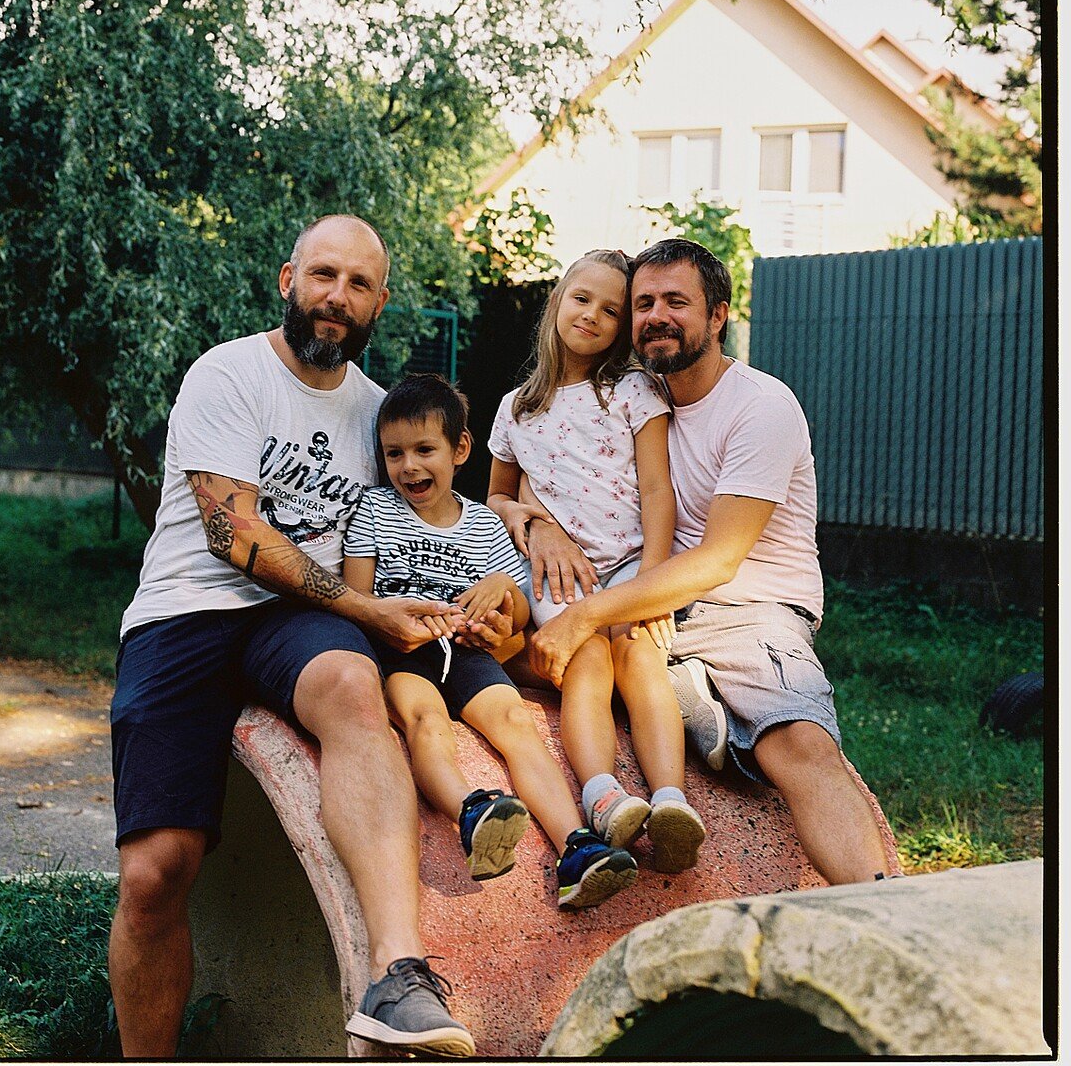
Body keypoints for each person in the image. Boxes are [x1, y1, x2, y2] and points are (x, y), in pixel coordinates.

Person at [108, 215, 502, 1058]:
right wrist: (367, 612)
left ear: (380, 303)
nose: (337, 298)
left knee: (356, 693)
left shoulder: (375, 412)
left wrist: (519, 529)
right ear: (288, 278)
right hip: (185, 610)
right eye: (324, 276)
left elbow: (436, 502)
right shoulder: (229, 373)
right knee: (155, 873)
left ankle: (398, 978)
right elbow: (233, 536)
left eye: (359, 285)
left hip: (296, 620)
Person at [528, 237, 891, 886]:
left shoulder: (760, 406)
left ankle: (888, 915)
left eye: (676, 301)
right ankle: (690, 700)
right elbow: (545, 461)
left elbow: (720, 559)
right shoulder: (630, 395)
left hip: (744, 609)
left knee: (796, 743)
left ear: (718, 315)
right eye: (642, 304)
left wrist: (584, 615)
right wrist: (538, 523)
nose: (655, 316)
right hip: (641, 597)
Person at [343, 374, 639, 910]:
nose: (408, 466)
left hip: (470, 653)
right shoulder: (374, 510)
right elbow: (358, 598)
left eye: (424, 449)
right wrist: (385, 633)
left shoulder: (483, 524)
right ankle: (471, 810)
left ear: (460, 449)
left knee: (515, 723)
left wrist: (504, 591)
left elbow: (519, 616)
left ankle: (576, 847)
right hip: (403, 652)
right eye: (394, 454)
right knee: (426, 722)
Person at [485, 249, 708, 877]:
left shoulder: (633, 391)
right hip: (563, 574)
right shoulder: (517, 407)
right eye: (582, 298)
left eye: (612, 310)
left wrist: (657, 584)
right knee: (586, 655)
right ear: (558, 299)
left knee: (636, 649)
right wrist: (537, 524)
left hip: (632, 563)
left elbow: (658, 490)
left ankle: (670, 801)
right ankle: (603, 796)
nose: (593, 316)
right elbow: (496, 495)